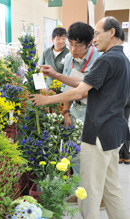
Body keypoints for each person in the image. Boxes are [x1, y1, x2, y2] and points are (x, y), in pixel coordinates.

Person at [31, 16, 130, 219]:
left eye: (97, 33)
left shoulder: (106, 59)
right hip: (114, 131)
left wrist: (46, 100)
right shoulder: (122, 59)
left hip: (99, 133)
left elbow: (80, 92)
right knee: (111, 188)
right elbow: (84, 83)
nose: (94, 39)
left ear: (112, 32)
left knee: (89, 190)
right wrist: (56, 76)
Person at [119, 31, 130, 164]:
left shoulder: (120, 52)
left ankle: (121, 154)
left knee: (120, 124)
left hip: (122, 93)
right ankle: (126, 155)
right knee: (125, 122)